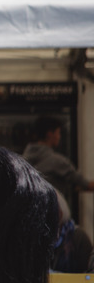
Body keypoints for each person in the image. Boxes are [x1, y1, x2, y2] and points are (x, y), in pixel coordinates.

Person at [22, 116, 94, 272]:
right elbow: (86, 184)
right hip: (54, 229)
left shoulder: (22, 160)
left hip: (27, 226)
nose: (59, 137)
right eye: (58, 133)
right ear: (50, 134)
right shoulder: (57, 161)